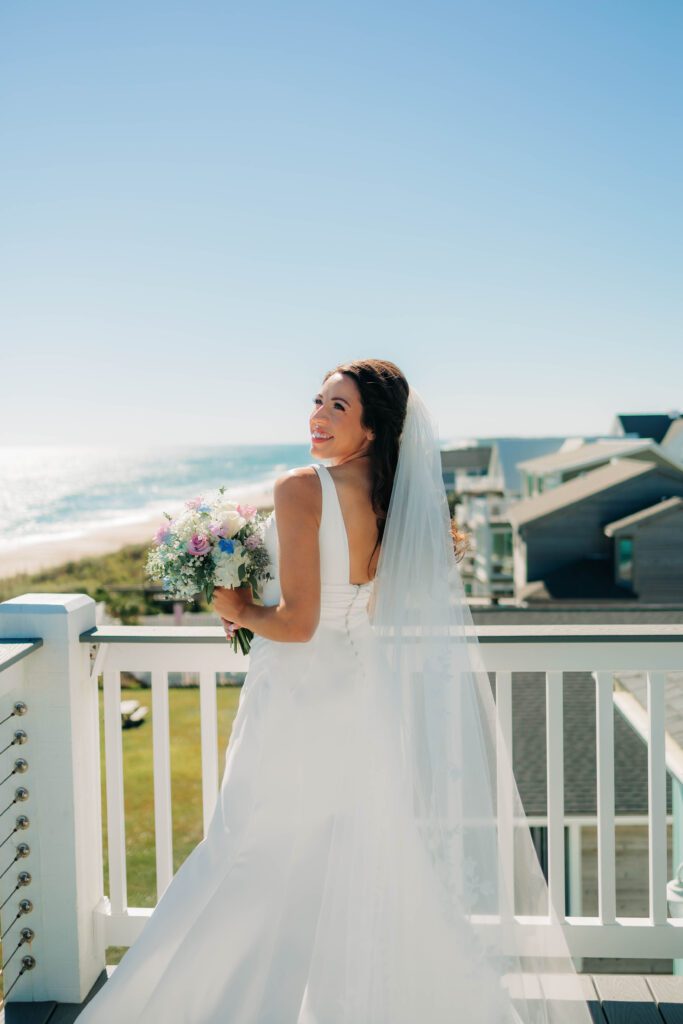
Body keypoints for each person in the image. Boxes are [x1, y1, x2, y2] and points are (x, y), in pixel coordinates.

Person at [77, 359, 593, 1022]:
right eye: (316, 401)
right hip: (358, 697)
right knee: (361, 863)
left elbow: (296, 623)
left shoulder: (301, 488)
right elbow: (359, 609)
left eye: (338, 407)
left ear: (373, 428)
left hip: (298, 703)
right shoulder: (387, 502)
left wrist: (234, 605)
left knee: (249, 855)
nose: (317, 417)